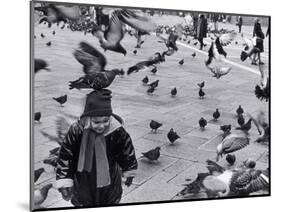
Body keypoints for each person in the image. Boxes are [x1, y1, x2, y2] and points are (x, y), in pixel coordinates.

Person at [55, 89, 138, 207]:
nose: (101, 126)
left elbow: (126, 150)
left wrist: (129, 169)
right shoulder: (77, 131)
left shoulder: (116, 131)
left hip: (109, 180)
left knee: (109, 202)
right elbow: (66, 155)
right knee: (84, 202)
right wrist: (64, 179)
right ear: (87, 118)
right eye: (96, 122)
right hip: (83, 180)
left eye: (105, 121)